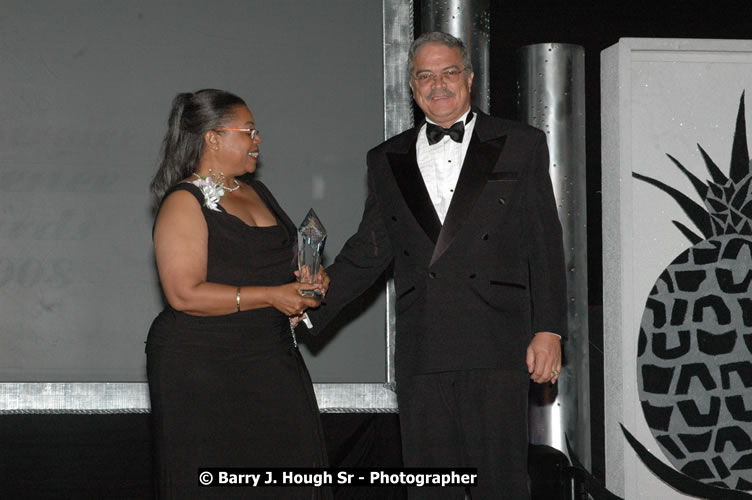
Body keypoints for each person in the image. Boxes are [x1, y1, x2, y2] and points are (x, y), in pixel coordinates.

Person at [306, 32, 567, 499]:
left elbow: (544, 243)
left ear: (469, 77)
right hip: (424, 345)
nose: (438, 84)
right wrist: (309, 303)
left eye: (448, 72)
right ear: (412, 86)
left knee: (500, 486)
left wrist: (549, 329)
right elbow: (370, 248)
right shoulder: (386, 158)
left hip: (497, 342)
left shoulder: (522, 143)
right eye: (425, 76)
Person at [145, 89, 331, 499]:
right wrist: (272, 295)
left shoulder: (257, 192)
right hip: (202, 365)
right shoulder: (184, 201)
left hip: (270, 356)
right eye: (249, 131)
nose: (258, 140)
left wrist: (310, 283)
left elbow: (278, 269)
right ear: (213, 137)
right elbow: (183, 294)